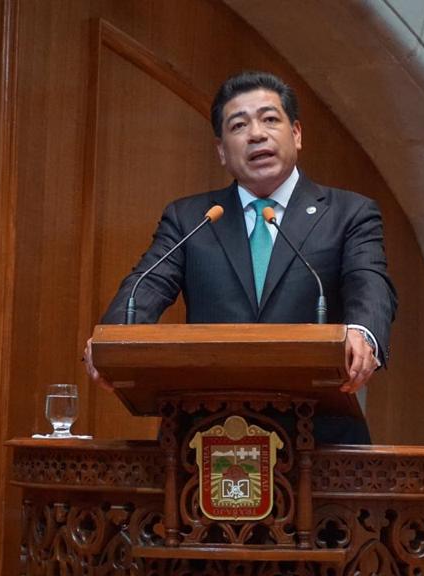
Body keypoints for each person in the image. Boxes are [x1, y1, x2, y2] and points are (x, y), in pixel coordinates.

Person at [83, 71, 397, 443]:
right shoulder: (191, 218)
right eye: (239, 125)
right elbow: (147, 283)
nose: (256, 134)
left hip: (320, 436)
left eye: (270, 119)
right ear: (221, 150)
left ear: (296, 133)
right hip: (205, 435)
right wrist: (115, 338)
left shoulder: (349, 212)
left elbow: (369, 282)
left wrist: (363, 334)